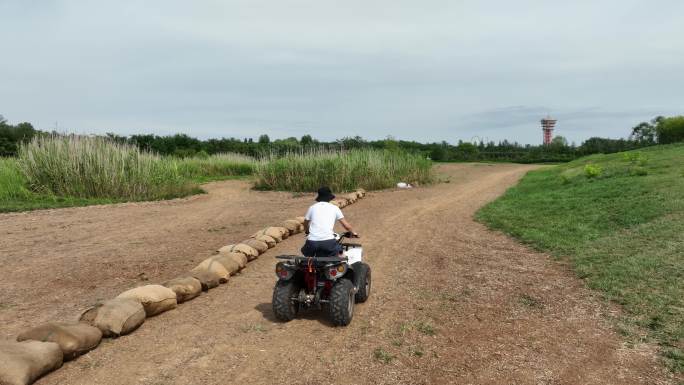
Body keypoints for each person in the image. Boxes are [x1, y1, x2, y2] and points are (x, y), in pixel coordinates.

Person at [301, 186, 358, 258]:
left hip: (312, 243)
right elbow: (346, 226)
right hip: (328, 243)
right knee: (341, 257)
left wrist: (307, 231)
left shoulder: (312, 207)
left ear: (319, 197)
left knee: (305, 257)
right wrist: (353, 233)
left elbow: (305, 223)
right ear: (329, 198)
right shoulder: (334, 208)